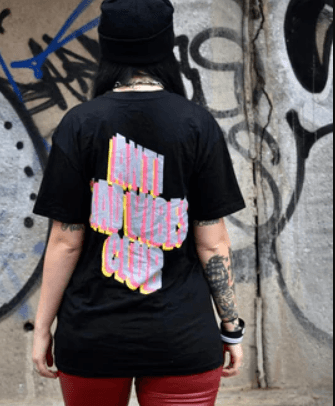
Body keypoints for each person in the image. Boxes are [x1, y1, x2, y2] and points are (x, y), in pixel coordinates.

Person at [31, 0, 246, 405]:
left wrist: (42, 328)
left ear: (107, 48)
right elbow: (213, 243)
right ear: (165, 48)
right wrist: (231, 326)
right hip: (183, 337)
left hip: (92, 337)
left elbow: (65, 241)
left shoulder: (79, 124)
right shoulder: (197, 124)